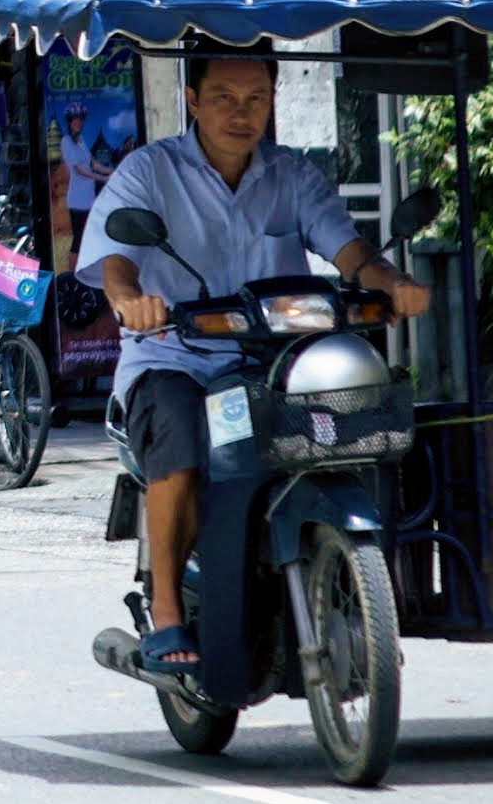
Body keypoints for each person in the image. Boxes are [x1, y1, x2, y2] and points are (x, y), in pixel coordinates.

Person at [81, 45, 430, 683]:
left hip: (280, 360)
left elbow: (349, 251)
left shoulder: (292, 175)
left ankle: (362, 591)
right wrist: (130, 301)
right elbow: (116, 260)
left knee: (369, 424)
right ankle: (164, 610)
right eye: (223, 98)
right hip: (177, 356)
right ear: (191, 100)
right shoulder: (148, 172)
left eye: (256, 99)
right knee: (182, 451)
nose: (242, 114)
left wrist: (392, 281)